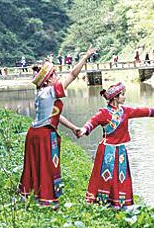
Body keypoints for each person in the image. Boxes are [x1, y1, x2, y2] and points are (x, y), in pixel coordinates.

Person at [18, 47, 96, 207]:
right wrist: (85, 57)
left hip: (35, 133)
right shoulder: (50, 92)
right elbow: (73, 75)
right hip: (42, 134)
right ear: (46, 81)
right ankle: (46, 199)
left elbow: (55, 116)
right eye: (54, 75)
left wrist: (74, 128)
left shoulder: (42, 93)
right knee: (46, 165)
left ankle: (30, 194)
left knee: (35, 164)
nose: (57, 76)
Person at [77, 82, 154, 209]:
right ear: (115, 98)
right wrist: (84, 130)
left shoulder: (125, 111)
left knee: (121, 177)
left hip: (120, 149)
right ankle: (103, 201)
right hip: (107, 150)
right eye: (122, 95)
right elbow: (92, 122)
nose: (124, 97)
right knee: (106, 176)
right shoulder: (104, 113)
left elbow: (140, 111)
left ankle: (119, 202)